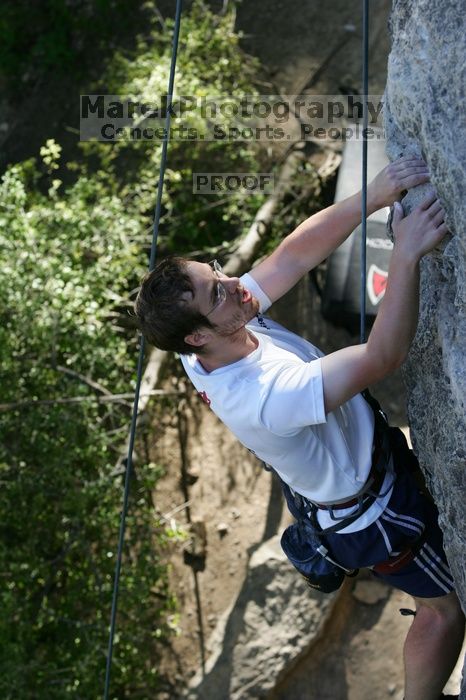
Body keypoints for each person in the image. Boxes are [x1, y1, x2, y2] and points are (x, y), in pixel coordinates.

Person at [135, 156, 464, 700]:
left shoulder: (216, 329)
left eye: (216, 272)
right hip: (374, 513)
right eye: (216, 291)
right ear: (196, 338)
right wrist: (405, 256)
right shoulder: (262, 395)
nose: (234, 285)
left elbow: (290, 256)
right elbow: (384, 355)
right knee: (444, 611)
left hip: (357, 465)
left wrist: (376, 192)